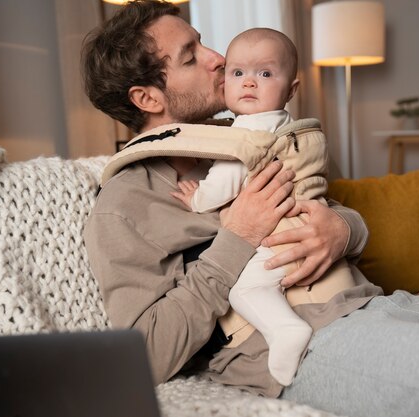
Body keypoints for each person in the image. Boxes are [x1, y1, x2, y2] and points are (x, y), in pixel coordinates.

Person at [81, 2, 419, 417]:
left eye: (202, 41)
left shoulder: (250, 133)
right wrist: (237, 236)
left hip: (381, 304)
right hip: (312, 345)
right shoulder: (126, 204)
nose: (218, 57)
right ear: (147, 98)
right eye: (190, 55)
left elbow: (326, 202)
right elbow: (147, 353)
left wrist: (344, 229)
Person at [170, 27, 326, 386]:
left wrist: (196, 198)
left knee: (246, 290)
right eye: (238, 73)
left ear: (292, 89)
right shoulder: (285, 126)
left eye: (265, 74)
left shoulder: (244, 133)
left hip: (279, 240)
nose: (249, 83)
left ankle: (285, 330)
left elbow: (223, 183)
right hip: (302, 230)